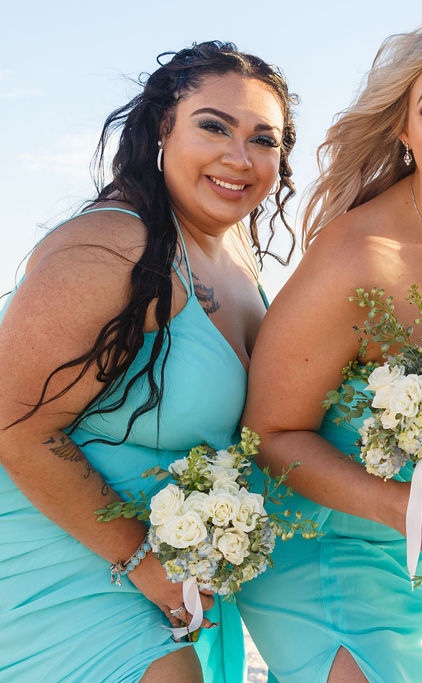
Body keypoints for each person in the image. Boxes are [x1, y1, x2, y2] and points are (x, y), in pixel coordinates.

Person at [233, 21, 422, 683]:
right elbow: (270, 434)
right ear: (403, 128)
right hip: (325, 545)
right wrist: (402, 508)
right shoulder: (356, 255)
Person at [0, 41, 297, 682]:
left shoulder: (237, 261)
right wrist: (143, 562)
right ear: (162, 129)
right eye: (213, 126)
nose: (238, 157)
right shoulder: (113, 245)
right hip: (68, 553)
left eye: (263, 139)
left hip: (171, 568)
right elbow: (16, 428)